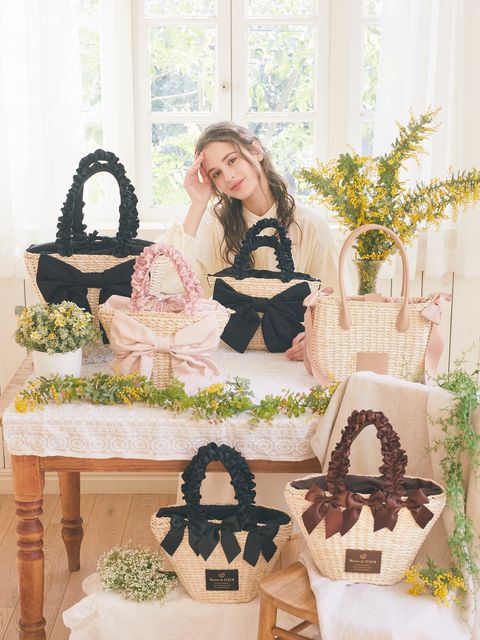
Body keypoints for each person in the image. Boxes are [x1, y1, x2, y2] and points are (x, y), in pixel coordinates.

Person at [159, 121, 342, 361]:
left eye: (232, 160)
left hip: (290, 356)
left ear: (256, 151)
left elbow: (335, 300)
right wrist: (198, 204)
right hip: (226, 354)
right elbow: (166, 285)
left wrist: (316, 336)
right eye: (216, 173)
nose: (228, 176)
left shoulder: (310, 224)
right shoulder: (214, 224)